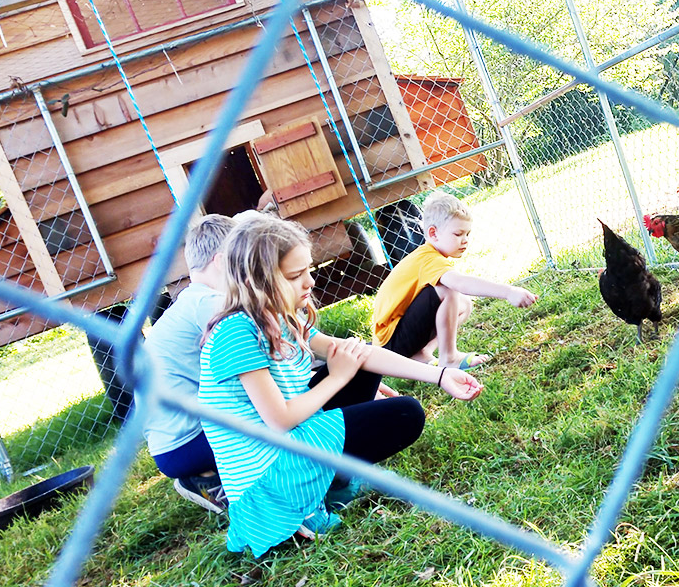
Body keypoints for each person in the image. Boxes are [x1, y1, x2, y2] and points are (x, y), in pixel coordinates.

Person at [199, 215, 484, 556]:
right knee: (405, 413)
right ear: (256, 281)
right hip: (268, 482)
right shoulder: (236, 332)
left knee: (359, 363)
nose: (309, 282)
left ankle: (332, 484)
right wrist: (337, 377)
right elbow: (279, 419)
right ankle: (305, 504)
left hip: (287, 449)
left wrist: (439, 376)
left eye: (308, 269)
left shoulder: (280, 315)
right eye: (294, 276)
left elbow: (359, 355)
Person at [369, 191, 538, 368]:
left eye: (467, 234)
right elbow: (460, 283)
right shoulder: (428, 258)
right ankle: (449, 358)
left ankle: (422, 354)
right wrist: (509, 292)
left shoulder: (430, 256)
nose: (465, 240)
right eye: (458, 234)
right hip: (389, 345)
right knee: (448, 290)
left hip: (396, 339)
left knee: (464, 304)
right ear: (433, 233)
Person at [142, 214, 236, 514]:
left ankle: (210, 476)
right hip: (187, 443)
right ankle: (207, 478)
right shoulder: (207, 303)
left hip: (171, 447)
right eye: (244, 259)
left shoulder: (190, 302)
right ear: (222, 261)